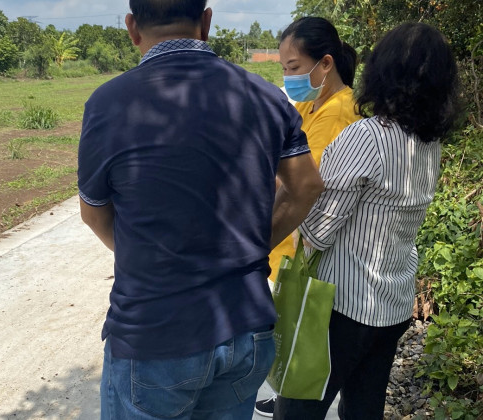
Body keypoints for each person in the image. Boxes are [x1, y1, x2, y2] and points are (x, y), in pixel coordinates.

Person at [77, 1, 324, 418]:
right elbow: (306, 186)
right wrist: (251, 248)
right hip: (245, 327)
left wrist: (152, 259)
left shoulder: (109, 104)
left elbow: (94, 213)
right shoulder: (264, 96)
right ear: (206, 22)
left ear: (132, 27)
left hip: (155, 335)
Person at [273, 22, 460, 419]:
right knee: (362, 409)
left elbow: (317, 231)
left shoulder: (367, 136)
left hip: (340, 308)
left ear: (382, 71)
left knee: (298, 411)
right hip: (392, 302)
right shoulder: (428, 143)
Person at [254, 16, 361, 418]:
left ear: (325, 63)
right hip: (289, 241)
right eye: (284, 68)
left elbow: (302, 184)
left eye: (294, 67)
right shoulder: (308, 104)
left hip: (305, 243)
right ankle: (283, 391)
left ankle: (292, 398)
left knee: (297, 332)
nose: (289, 77)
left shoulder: (339, 112)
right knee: (285, 329)